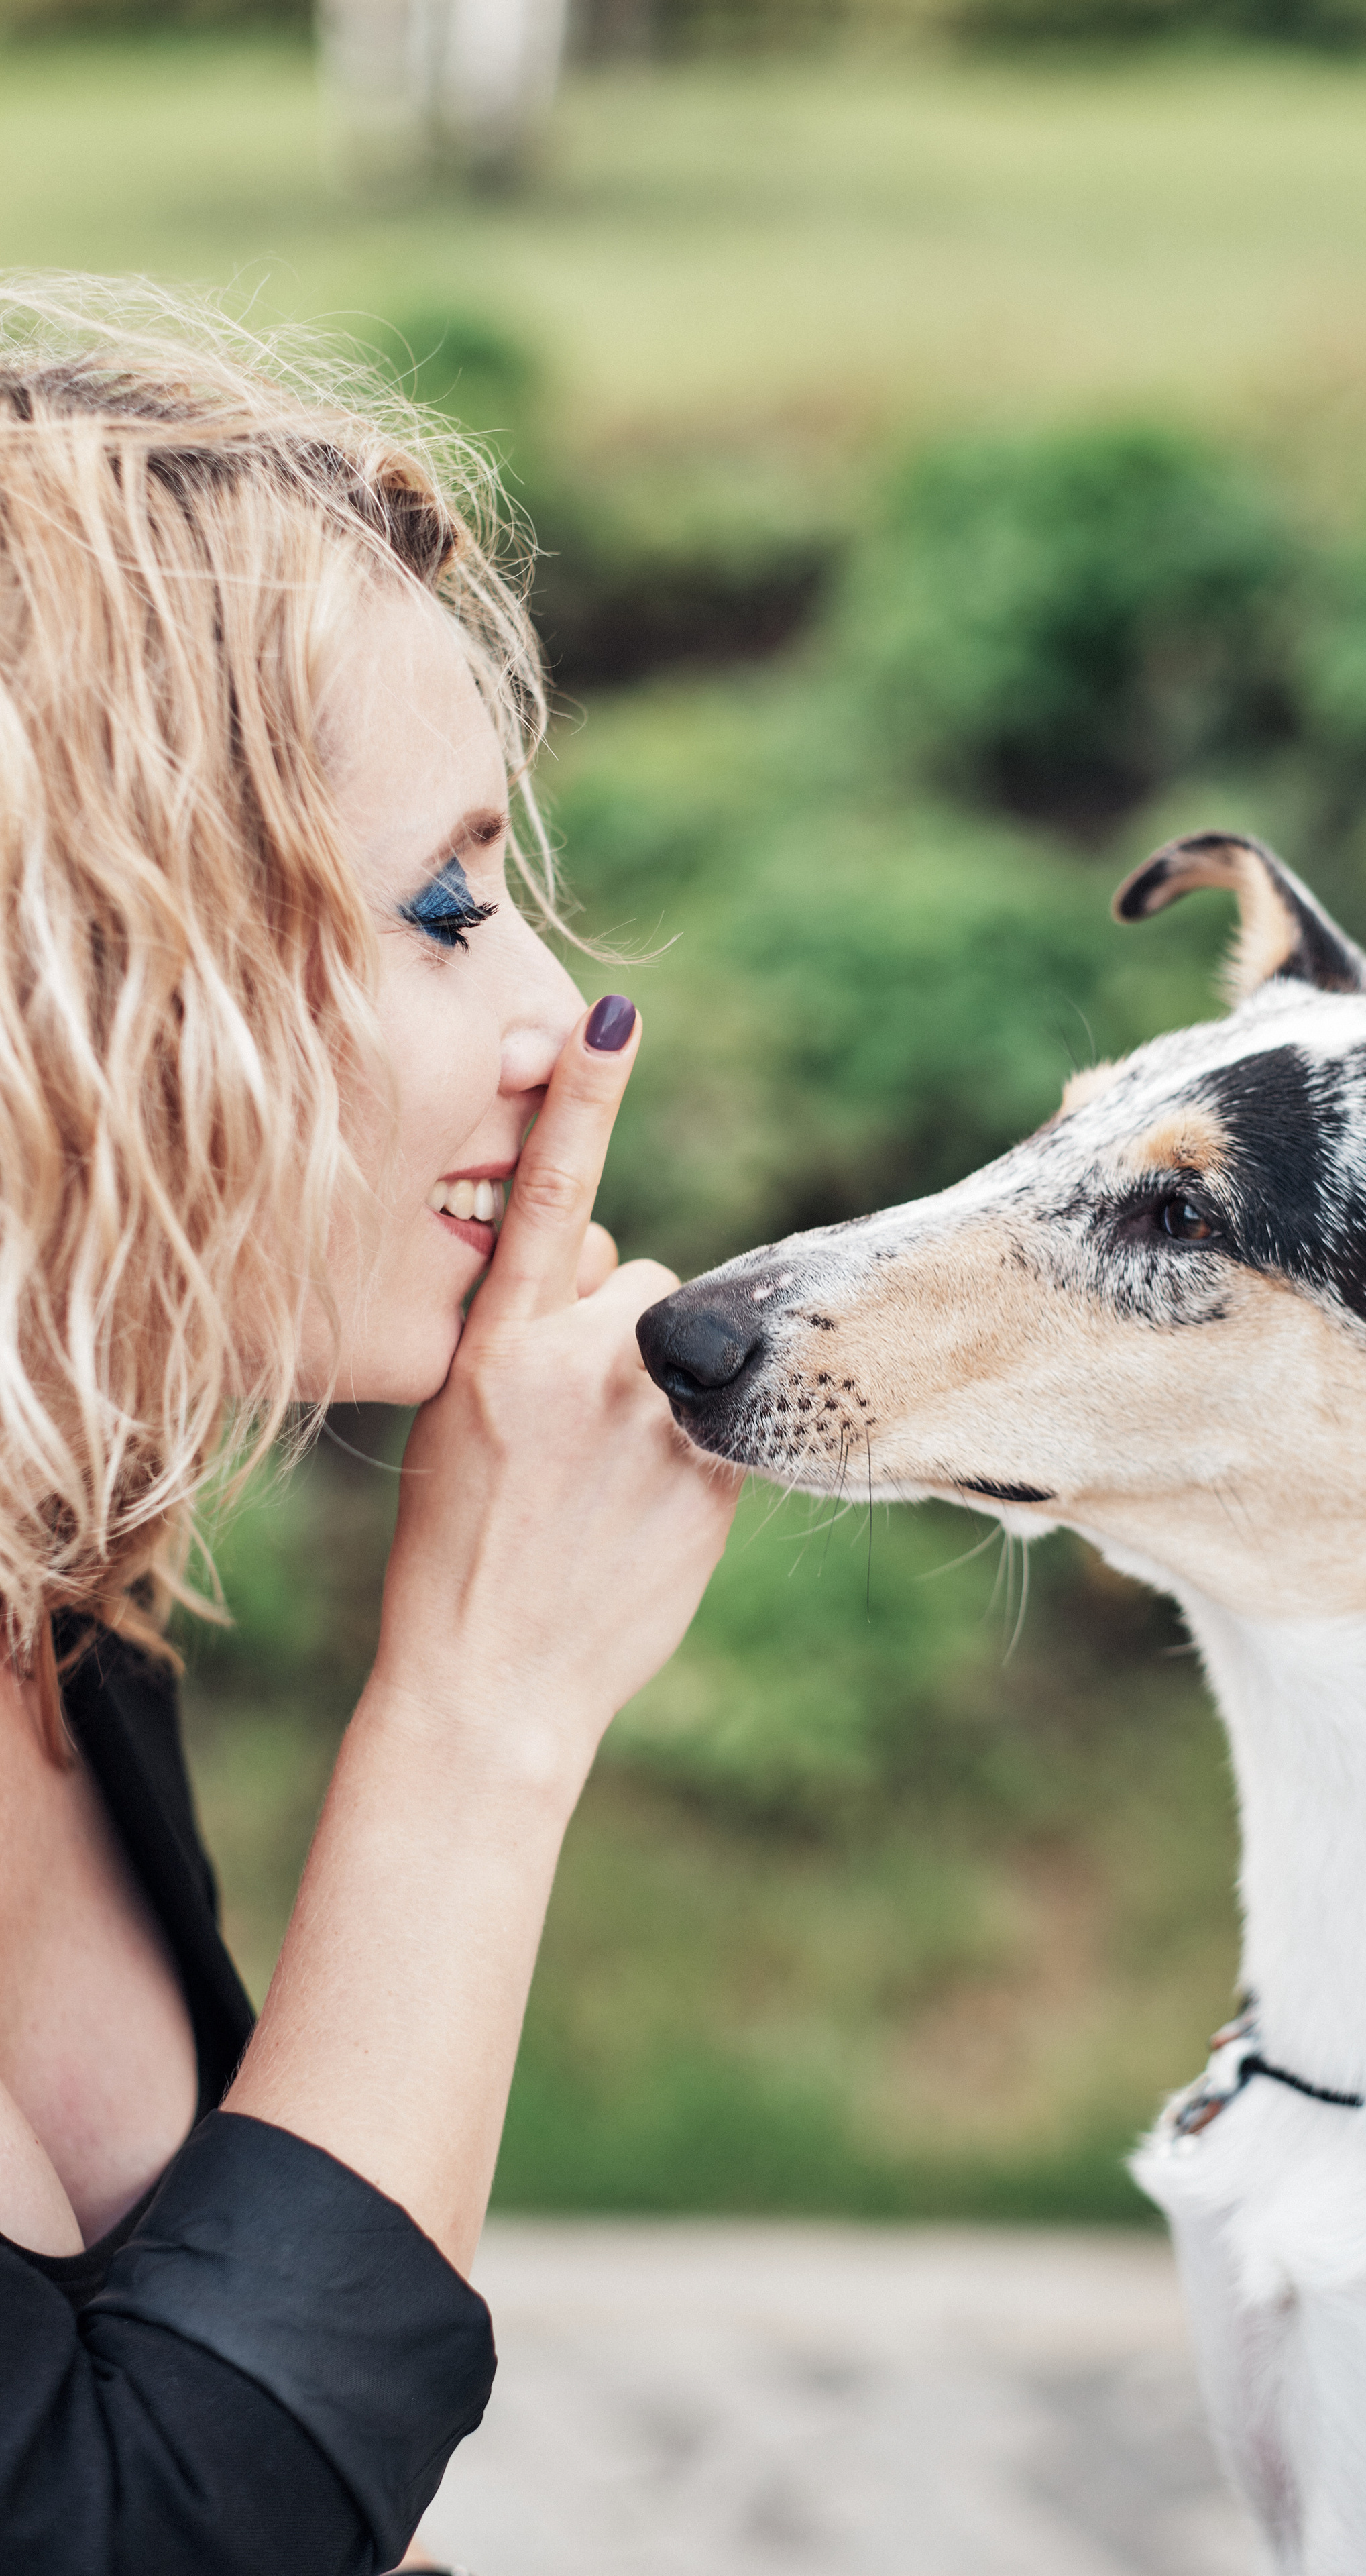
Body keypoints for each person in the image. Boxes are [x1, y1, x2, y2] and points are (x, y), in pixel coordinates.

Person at [0, 277, 740, 2574]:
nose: (552, 1015)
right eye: (440, 907)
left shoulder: (57, 1620)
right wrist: (484, 1703)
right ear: (75, 974)